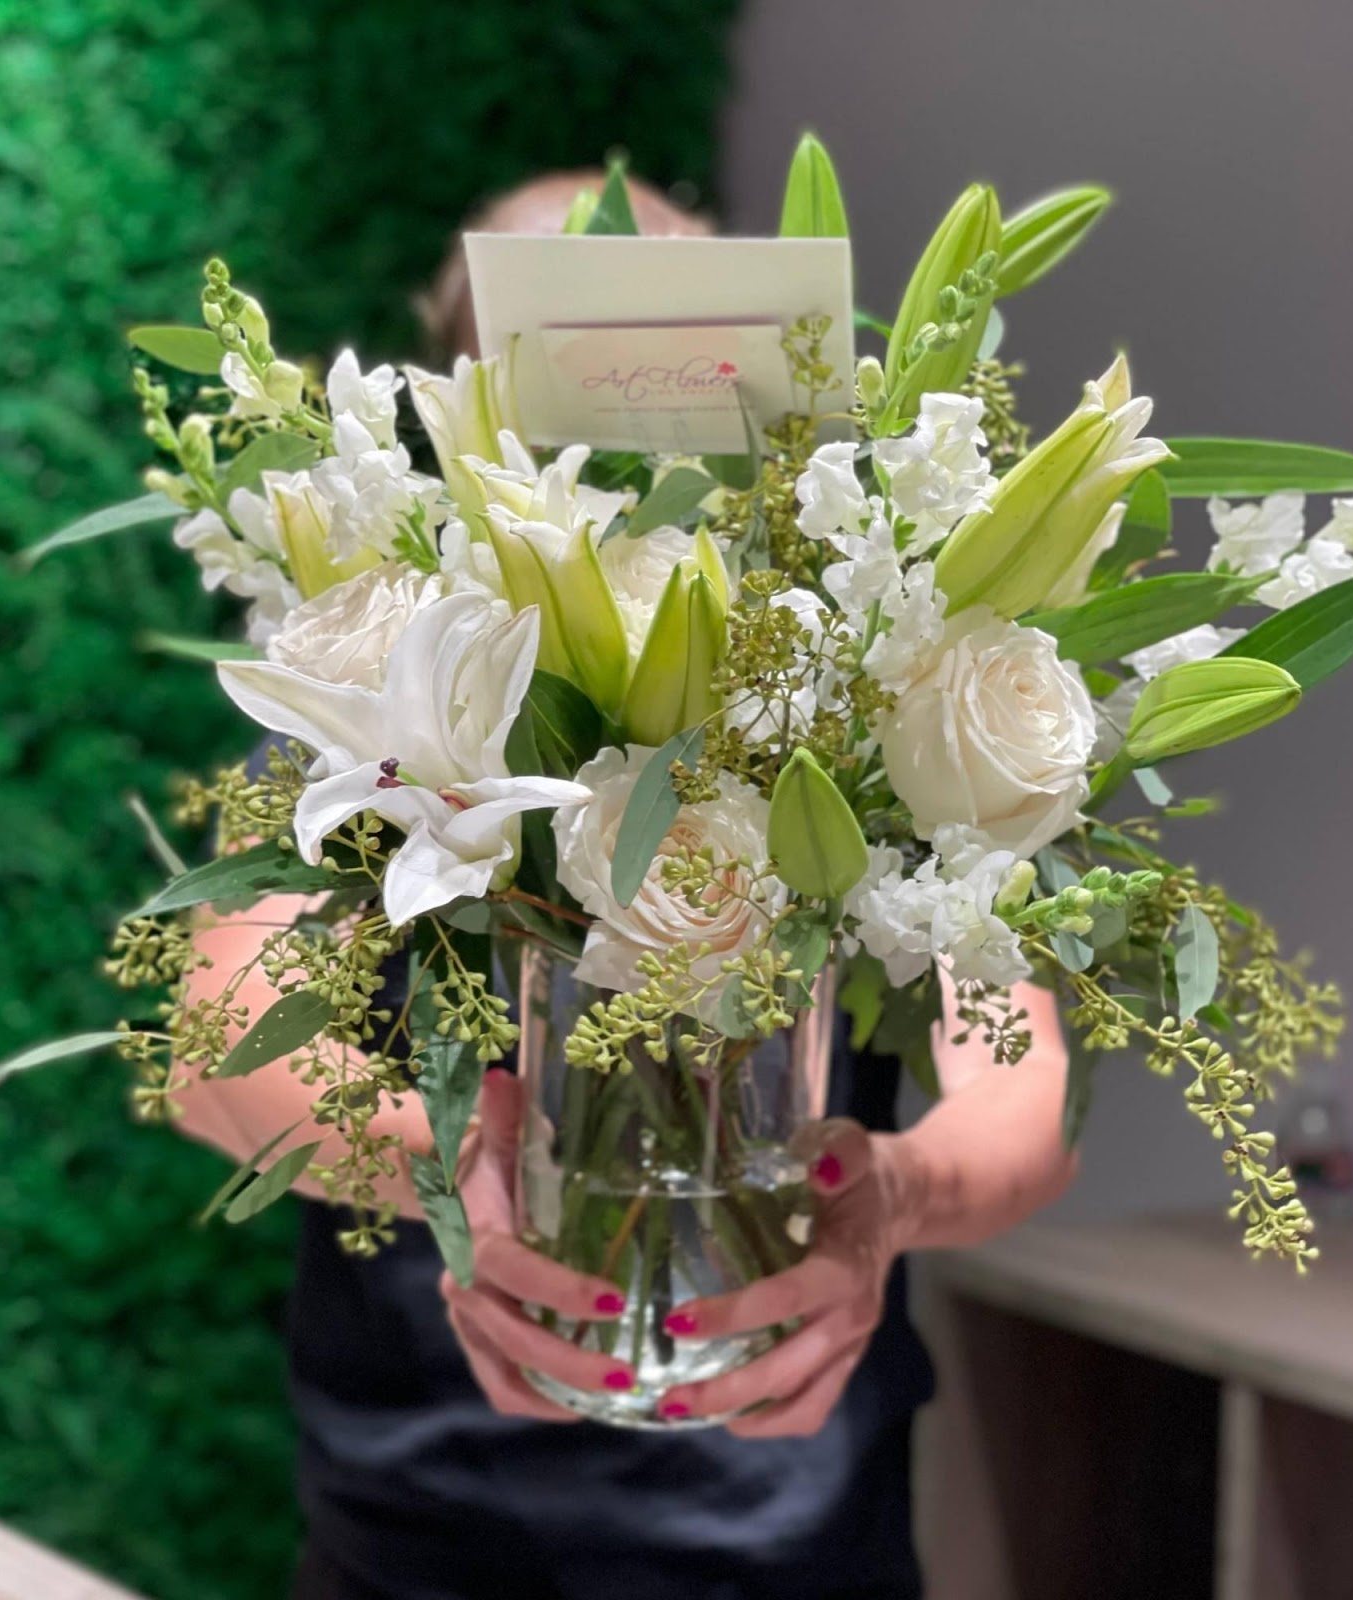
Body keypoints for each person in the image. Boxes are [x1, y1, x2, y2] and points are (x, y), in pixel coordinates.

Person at [175, 171, 1077, 1600]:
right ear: (458, 392)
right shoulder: (390, 665)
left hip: (788, 1536)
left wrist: (888, 1194)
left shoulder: (863, 674)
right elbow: (213, 1030)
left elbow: (1023, 1092)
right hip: (419, 1536)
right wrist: (454, 1170)